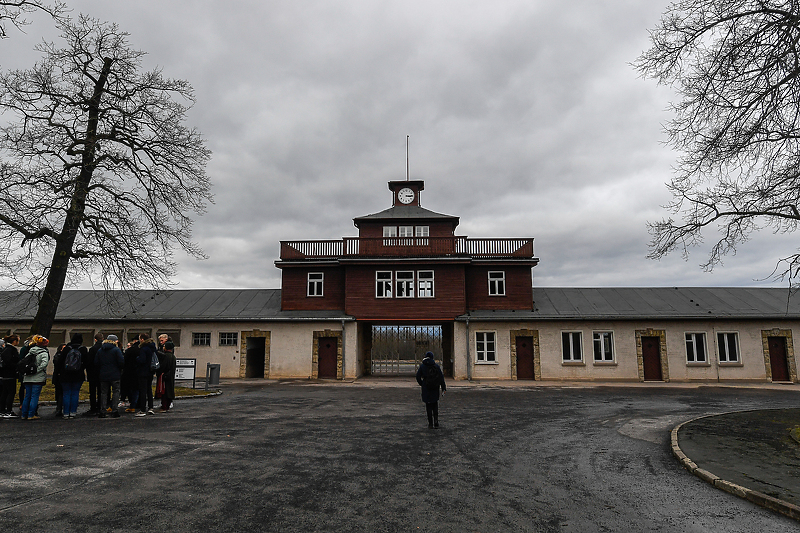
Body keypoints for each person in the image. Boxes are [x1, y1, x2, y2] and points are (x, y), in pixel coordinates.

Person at [21, 335, 49, 420]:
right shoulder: (43, 353)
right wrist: (37, 370)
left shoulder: (30, 352)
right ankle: (31, 414)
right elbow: (44, 364)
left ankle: (24, 414)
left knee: (27, 396)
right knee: (34, 396)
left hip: (27, 377)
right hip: (38, 378)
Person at [59, 334, 88, 419]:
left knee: (66, 393)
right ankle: (73, 412)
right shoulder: (83, 349)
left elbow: (60, 362)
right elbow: (86, 362)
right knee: (75, 393)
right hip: (78, 375)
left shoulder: (67, 349)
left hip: (65, 374)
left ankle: (66, 412)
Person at [415, 351, 446, 429]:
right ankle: (436, 422)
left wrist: (422, 383)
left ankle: (430, 423)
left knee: (428, 406)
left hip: (426, 387)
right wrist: (443, 388)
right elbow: (441, 377)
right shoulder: (436, 366)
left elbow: (418, 377)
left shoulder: (422, 366)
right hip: (435, 387)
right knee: (435, 405)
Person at [96, 334, 124, 418]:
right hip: (115, 374)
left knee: (104, 393)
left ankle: (102, 411)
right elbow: (121, 362)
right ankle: (114, 410)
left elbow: (96, 363)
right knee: (116, 392)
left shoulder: (100, 350)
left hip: (103, 374)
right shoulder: (116, 350)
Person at [135, 333, 157, 416]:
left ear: (142, 339)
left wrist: (137, 359)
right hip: (151, 371)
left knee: (143, 391)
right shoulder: (152, 348)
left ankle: (142, 409)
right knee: (149, 390)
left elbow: (142, 360)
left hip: (143, 372)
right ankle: (151, 407)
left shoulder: (143, 348)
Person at [83, 332, 103, 416]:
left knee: (92, 391)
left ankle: (93, 407)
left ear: (95, 340)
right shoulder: (104, 348)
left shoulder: (92, 349)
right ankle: (100, 406)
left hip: (93, 373)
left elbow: (89, 362)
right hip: (102, 373)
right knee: (101, 391)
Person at [0, 335, 20, 418]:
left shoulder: (4, 349)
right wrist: (16, 366)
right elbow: (10, 362)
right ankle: (8, 410)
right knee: (11, 393)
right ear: (14, 341)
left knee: (4, 393)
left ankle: (2, 410)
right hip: (10, 374)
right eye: (18, 340)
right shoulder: (11, 350)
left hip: (4, 374)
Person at [158, 341, 176, 412]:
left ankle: (164, 406)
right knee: (169, 390)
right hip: (170, 376)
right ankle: (167, 405)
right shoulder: (173, 356)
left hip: (165, 376)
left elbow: (163, 366)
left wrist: (159, 371)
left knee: (165, 391)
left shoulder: (166, 356)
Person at [123, 339, 140, 412]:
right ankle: (135, 404)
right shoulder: (140, 350)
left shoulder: (129, 351)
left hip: (128, 372)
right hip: (138, 372)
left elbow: (124, 361)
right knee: (136, 390)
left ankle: (131, 404)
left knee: (129, 389)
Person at [51, 343, 67, 418]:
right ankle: (59, 407)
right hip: (59, 377)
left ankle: (59, 407)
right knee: (59, 393)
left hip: (60, 376)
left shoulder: (58, 356)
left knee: (60, 393)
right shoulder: (60, 356)